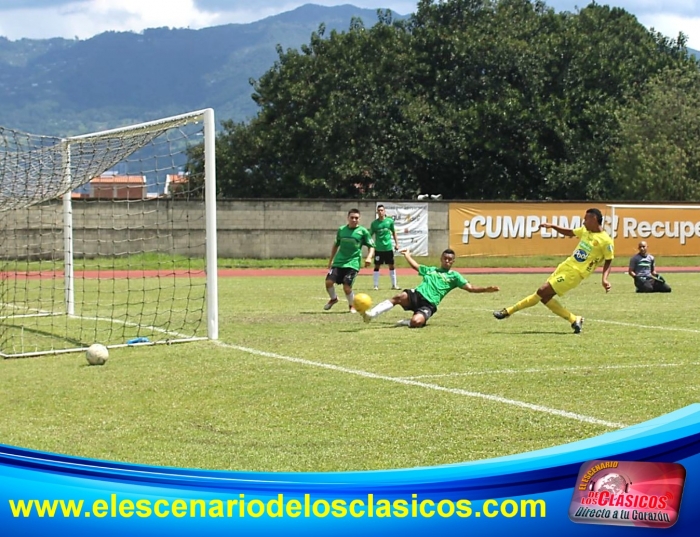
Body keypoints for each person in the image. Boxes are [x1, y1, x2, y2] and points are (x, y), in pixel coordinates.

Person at [493, 208, 614, 334]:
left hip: (575, 274)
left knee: (541, 291)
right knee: (545, 298)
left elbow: (609, 259)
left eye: (586, 219)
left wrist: (604, 279)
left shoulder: (606, 241)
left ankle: (508, 311)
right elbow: (570, 232)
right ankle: (574, 319)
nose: (583, 222)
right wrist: (552, 226)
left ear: (594, 219)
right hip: (565, 266)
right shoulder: (585, 231)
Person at [362, 249, 499, 327]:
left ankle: (406, 322)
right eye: (445, 258)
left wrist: (486, 289)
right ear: (441, 258)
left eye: (449, 259)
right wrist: (407, 255)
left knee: (416, 323)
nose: (447, 261)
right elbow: (416, 266)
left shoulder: (455, 276)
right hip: (417, 295)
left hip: (429, 304)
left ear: (453, 261)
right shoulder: (431, 270)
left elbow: (470, 288)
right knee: (400, 296)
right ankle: (372, 314)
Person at [324, 208, 375, 313]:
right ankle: (333, 299)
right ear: (348, 218)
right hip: (339, 262)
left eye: (356, 218)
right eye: (352, 217)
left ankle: (352, 305)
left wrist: (369, 257)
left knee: (346, 287)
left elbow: (371, 246)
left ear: (359, 219)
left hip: (353, 263)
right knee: (328, 282)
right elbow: (335, 245)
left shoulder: (363, 231)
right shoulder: (341, 230)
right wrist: (331, 260)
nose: (354, 220)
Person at [369, 204, 400, 290]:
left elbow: (394, 232)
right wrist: (370, 245)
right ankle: (375, 285)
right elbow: (369, 236)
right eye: (379, 210)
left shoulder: (389, 221)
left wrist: (397, 244)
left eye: (382, 210)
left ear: (384, 211)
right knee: (377, 266)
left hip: (388, 248)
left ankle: (394, 285)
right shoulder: (374, 224)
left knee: (391, 265)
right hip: (379, 249)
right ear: (377, 212)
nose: (380, 212)